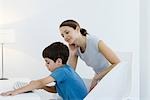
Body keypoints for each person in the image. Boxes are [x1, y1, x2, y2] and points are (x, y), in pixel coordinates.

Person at [0, 42, 88, 100]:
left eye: (48, 62)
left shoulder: (62, 71)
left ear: (58, 61)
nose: (45, 65)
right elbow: (56, 89)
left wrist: (15, 91)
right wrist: (43, 87)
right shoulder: (66, 69)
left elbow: (40, 82)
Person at [59, 19, 120, 91]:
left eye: (67, 32)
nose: (65, 37)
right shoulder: (75, 48)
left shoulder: (94, 41)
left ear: (77, 29)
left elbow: (117, 63)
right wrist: (72, 54)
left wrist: (96, 78)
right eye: (62, 35)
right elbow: (71, 73)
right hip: (100, 77)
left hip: (113, 76)